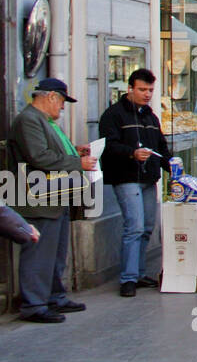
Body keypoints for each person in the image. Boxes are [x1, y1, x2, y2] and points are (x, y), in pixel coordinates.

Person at [7, 79, 96, 322]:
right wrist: (78, 163)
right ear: (51, 97)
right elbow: (39, 157)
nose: (63, 108)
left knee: (55, 253)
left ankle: (55, 296)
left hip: (54, 196)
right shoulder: (29, 120)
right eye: (63, 102)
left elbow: (50, 153)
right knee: (38, 253)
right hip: (36, 198)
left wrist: (74, 152)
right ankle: (34, 305)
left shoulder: (43, 121)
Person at [99, 68, 168, 296]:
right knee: (134, 226)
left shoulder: (150, 116)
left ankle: (138, 273)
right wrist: (132, 153)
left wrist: (172, 166)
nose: (147, 94)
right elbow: (109, 146)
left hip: (149, 178)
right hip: (126, 177)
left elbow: (160, 147)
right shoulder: (113, 115)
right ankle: (128, 278)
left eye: (150, 90)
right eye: (142, 89)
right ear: (130, 89)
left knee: (147, 227)